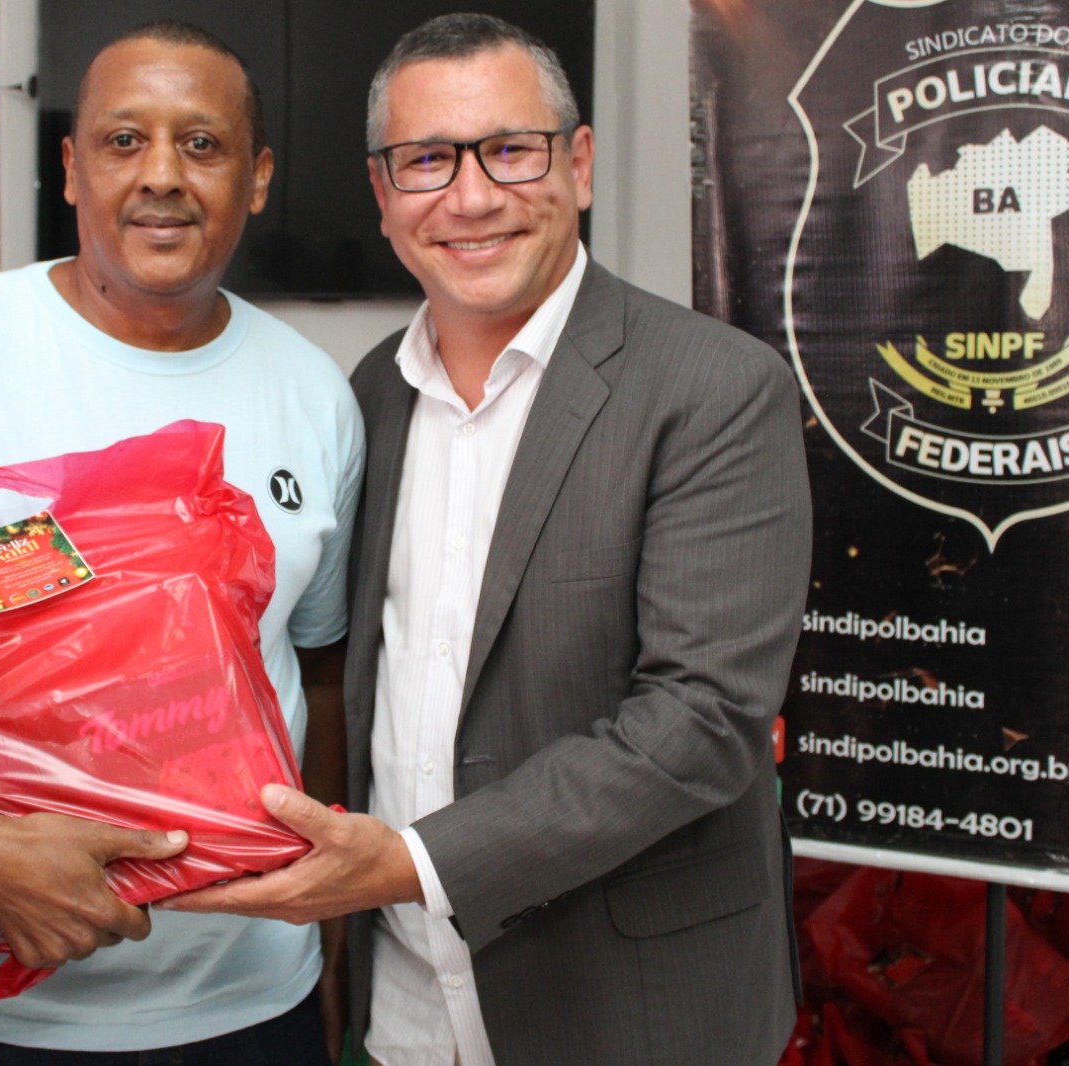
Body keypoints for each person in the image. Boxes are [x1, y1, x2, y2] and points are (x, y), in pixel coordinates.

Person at [163, 13, 813, 1065]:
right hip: (404, 1007)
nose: (469, 198)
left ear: (580, 164)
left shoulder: (714, 389)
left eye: (511, 149)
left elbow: (703, 721)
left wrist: (410, 865)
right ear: (381, 195)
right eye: (426, 160)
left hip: (625, 1011)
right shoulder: (366, 395)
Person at [0, 21, 362, 1064]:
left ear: (258, 177)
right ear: (72, 168)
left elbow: (315, 677)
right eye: (123, 140)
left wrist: (325, 937)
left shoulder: (315, 393)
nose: (162, 175)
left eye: (203, 144)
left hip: (243, 994)